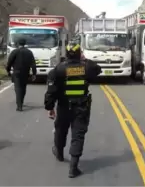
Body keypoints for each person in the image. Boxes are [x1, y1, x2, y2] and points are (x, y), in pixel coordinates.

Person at [44, 41, 101, 178]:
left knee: (60, 131)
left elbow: (51, 91)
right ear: (79, 54)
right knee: (78, 135)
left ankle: (59, 152)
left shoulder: (58, 69)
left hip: (64, 107)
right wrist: (84, 59)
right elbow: (98, 69)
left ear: (66, 54)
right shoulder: (86, 67)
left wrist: (50, 107)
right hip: (81, 107)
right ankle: (73, 168)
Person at [6, 38, 37, 111]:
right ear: (25, 43)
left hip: (17, 72)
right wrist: (34, 74)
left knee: (18, 88)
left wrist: (8, 70)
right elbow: (33, 64)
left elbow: (9, 62)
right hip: (26, 72)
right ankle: (21, 102)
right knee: (23, 88)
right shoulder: (29, 52)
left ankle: (19, 105)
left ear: (18, 43)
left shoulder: (15, 51)